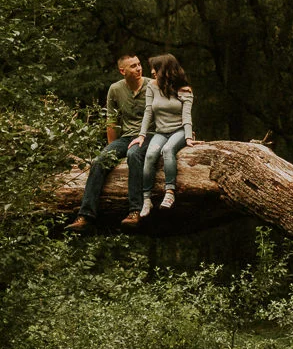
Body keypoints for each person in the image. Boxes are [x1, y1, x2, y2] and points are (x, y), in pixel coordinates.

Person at [68, 54, 149, 232]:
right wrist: (111, 150)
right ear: (122, 71)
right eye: (133, 66)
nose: (138, 68)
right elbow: (111, 121)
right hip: (127, 137)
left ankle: (135, 211)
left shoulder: (152, 86)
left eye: (139, 64)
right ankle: (85, 216)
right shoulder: (115, 89)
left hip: (148, 135)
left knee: (133, 155)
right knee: (99, 161)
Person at [131, 53, 198, 219]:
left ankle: (169, 192)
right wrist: (141, 135)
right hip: (161, 132)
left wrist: (189, 137)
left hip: (179, 131)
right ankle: (147, 199)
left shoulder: (184, 90)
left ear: (166, 70)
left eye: (155, 68)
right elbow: (148, 112)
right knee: (150, 154)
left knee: (167, 150)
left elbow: (187, 116)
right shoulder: (152, 87)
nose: (152, 71)